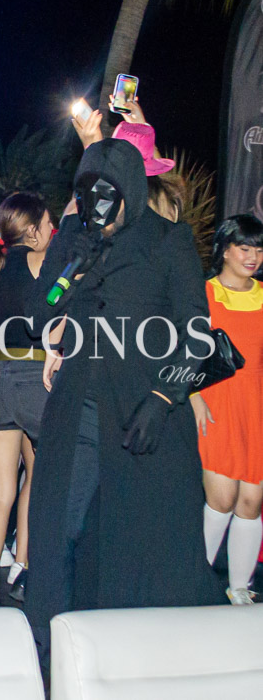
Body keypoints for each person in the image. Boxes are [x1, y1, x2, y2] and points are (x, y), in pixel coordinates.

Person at [25, 138, 224, 666]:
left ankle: (147, 659)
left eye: (107, 196)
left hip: (147, 411)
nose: (97, 208)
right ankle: (51, 653)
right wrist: (72, 272)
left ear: (131, 192)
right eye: (86, 195)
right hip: (81, 409)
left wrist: (163, 397)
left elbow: (197, 332)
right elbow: (39, 314)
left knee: (144, 537)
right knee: (60, 529)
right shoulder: (73, 237)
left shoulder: (168, 240)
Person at [0, 192, 56, 607]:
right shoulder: (41, 262)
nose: (54, 230)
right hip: (34, 378)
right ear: (34, 230)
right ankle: (25, 570)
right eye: (50, 224)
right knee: (43, 483)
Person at [191, 214, 263, 605]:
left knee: (251, 502)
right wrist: (193, 397)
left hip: (256, 406)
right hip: (215, 402)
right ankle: (195, 582)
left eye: (259, 249)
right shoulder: (203, 293)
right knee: (221, 498)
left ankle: (240, 589)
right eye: (244, 247)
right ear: (225, 250)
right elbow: (179, 349)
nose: (253, 256)